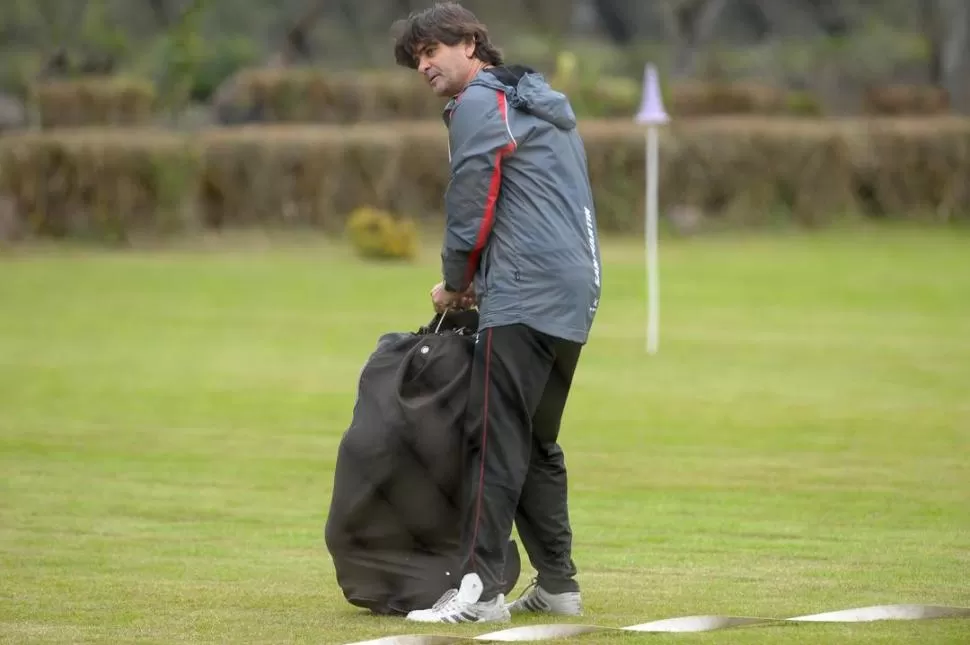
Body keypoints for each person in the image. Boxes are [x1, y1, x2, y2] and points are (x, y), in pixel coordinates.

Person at [390, 1, 603, 624]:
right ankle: (559, 585)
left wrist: (457, 282)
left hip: (526, 294)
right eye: (416, 58)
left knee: (496, 438)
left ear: (470, 42)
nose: (424, 65)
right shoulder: (537, 101)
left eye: (432, 50)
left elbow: (473, 195)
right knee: (536, 440)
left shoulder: (481, 102)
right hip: (574, 291)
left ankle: (480, 592)